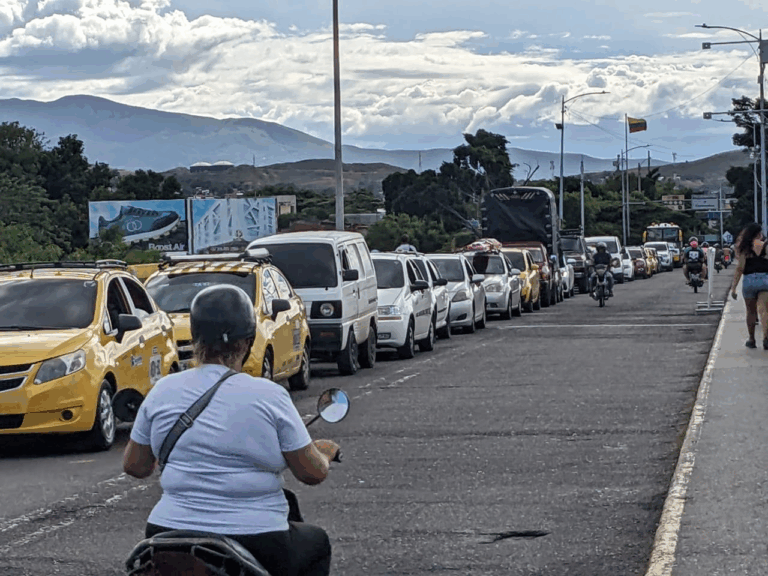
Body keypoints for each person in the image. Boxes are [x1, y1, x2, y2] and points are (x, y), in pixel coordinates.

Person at [122, 284, 339, 576]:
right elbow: (311, 474)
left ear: (196, 338)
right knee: (317, 543)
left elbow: (135, 466)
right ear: (248, 342)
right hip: (258, 535)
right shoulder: (268, 395)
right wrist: (323, 453)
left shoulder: (163, 390)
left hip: (168, 531)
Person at [729, 223, 768, 349]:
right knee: (764, 311)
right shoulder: (765, 246)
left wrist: (734, 287)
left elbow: (739, 268)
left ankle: (751, 339)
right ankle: (766, 338)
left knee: (750, 312)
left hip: (749, 281)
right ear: (759, 234)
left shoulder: (744, 248)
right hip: (765, 280)